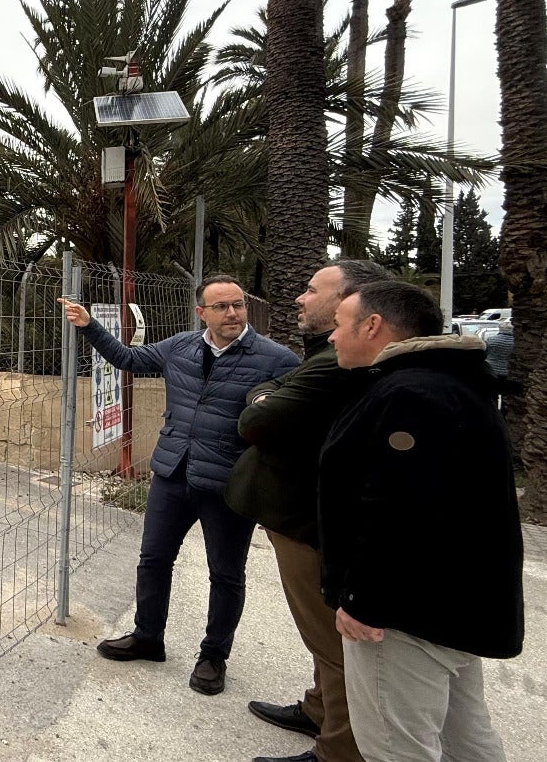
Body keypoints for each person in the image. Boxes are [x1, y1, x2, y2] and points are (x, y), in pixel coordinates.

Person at [58, 275, 298, 695]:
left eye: (238, 305)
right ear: (201, 312)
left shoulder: (277, 359)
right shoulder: (180, 346)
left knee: (226, 574)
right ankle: (148, 637)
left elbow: (294, 415)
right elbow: (128, 359)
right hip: (173, 472)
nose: (232, 313)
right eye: (221, 306)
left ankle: (213, 657)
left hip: (228, 484)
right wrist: (89, 326)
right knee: (153, 560)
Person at [320, 281, 523, 761]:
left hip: (403, 614)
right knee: (465, 742)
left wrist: (362, 600)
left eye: (339, 324)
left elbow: (397, 508)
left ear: (372, 326)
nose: (331, 337)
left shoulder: (411, 394)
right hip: (452, 605)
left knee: (395, 748)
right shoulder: (451, 383)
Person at [226, 260, 391, 762]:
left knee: (331, 643)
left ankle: (337, 750)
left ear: (351, 303)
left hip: (306, 521)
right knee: (320, 636)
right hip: (299, 517)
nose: (300, 297)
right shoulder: (326, 356)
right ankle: (319, 709)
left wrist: (263, 394)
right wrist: (271, 393)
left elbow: (256, 421)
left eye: (313, 290)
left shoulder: (335, 364)